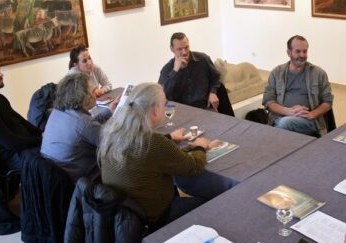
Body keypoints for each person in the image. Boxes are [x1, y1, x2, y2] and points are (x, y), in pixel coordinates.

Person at [98, 83, 213, 228]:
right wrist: (200, 147)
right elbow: (193, 166)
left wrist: (169, 139)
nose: (165, 108)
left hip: (121, 217)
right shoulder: (153, 142)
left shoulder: (112, 132)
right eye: (164, 104)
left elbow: (148, 156)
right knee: (211, 204)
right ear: (154, 109)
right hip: (154, 217)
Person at [41, 73, 119, 183]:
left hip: (54, 177)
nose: (95, 95)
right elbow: (114, 145)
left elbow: (86, 126)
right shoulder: (85, 123)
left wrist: (109, 111)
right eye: (92, 91)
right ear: (82, 96)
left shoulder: (57, 112)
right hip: (81, 182)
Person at [263, 35, 334, 136]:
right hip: (280, 117)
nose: (302, 55)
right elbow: (268, 100)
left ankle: (273, 136)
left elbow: (328, 101)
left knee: (284, 124)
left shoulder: (319, 73)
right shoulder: (277, 73)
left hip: (308, 121)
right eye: (298, 51)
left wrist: (312, 114)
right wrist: (288, 112)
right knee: (283, 123)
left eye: (305, 51)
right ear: (288, 52)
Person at [159, 32, 221, 111]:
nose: (184, 52)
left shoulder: (203, 59)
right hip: (181, 112)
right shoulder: (167, 69)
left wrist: (213, 92)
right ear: (172, 49)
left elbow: (216, 77)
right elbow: (163, 95)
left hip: (205, 108)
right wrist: (175, 71)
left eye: (186, 47)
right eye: (179, 49)